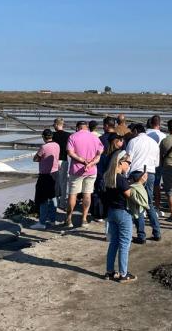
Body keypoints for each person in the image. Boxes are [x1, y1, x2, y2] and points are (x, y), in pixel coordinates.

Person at [102, 150, 136, 283]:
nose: (129, 165)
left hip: (111, 212)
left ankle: (109, 271)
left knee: (114, 242)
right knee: (124, 243)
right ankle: (123, 273)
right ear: (120, 162)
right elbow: (130, 196)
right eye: (128, 162)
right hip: (123, 212)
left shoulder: (108, 176)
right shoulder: (121, 179)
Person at [125, 123, 162, 243]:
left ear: (135, 131)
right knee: (148, 203)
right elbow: (157, 163)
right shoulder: (153, 142)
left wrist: (125, 175)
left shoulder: (133, 141)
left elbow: (128, 159)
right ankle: (157, 232)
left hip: (137, 173)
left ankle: (141, 235)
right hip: (150, 173)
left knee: (137, 204)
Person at [65, 121, 104, 227]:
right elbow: (99, 155)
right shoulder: (95, 138)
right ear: (86, 127)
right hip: (91, 171)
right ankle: (84, 219)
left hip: (76, 170)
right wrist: (90, 163)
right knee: (87, 194)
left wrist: (82, 161)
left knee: (73, 194)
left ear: (77, 127)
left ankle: (69, 220)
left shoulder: (73, 137)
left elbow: (70, 152)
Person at [30, 129, 60, 230]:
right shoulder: (57, 145)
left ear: (43, 137)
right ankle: (53, 220)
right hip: (55, 174)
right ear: (51, 136)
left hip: (45, 175)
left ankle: (42, 222)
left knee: (42, 199)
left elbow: (35, 158)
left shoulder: (43, 147)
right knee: (53, 197)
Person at [145, 115, 166, 214]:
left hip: (146, 163)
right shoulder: (163, 135)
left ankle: (145, 207)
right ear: (159, 123)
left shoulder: (145, 134)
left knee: (145, 186)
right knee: (156, 186)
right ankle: (156, 208)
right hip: (158, 163)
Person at [52, 118, 71, 208]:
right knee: (63, 182)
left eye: (54, 125)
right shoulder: (68, 135)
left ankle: (55, 203)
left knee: (54, 182)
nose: (53, 126)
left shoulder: (52, 135)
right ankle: (62, 203)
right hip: (64, 160)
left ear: (56, 125)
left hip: (54, 161)